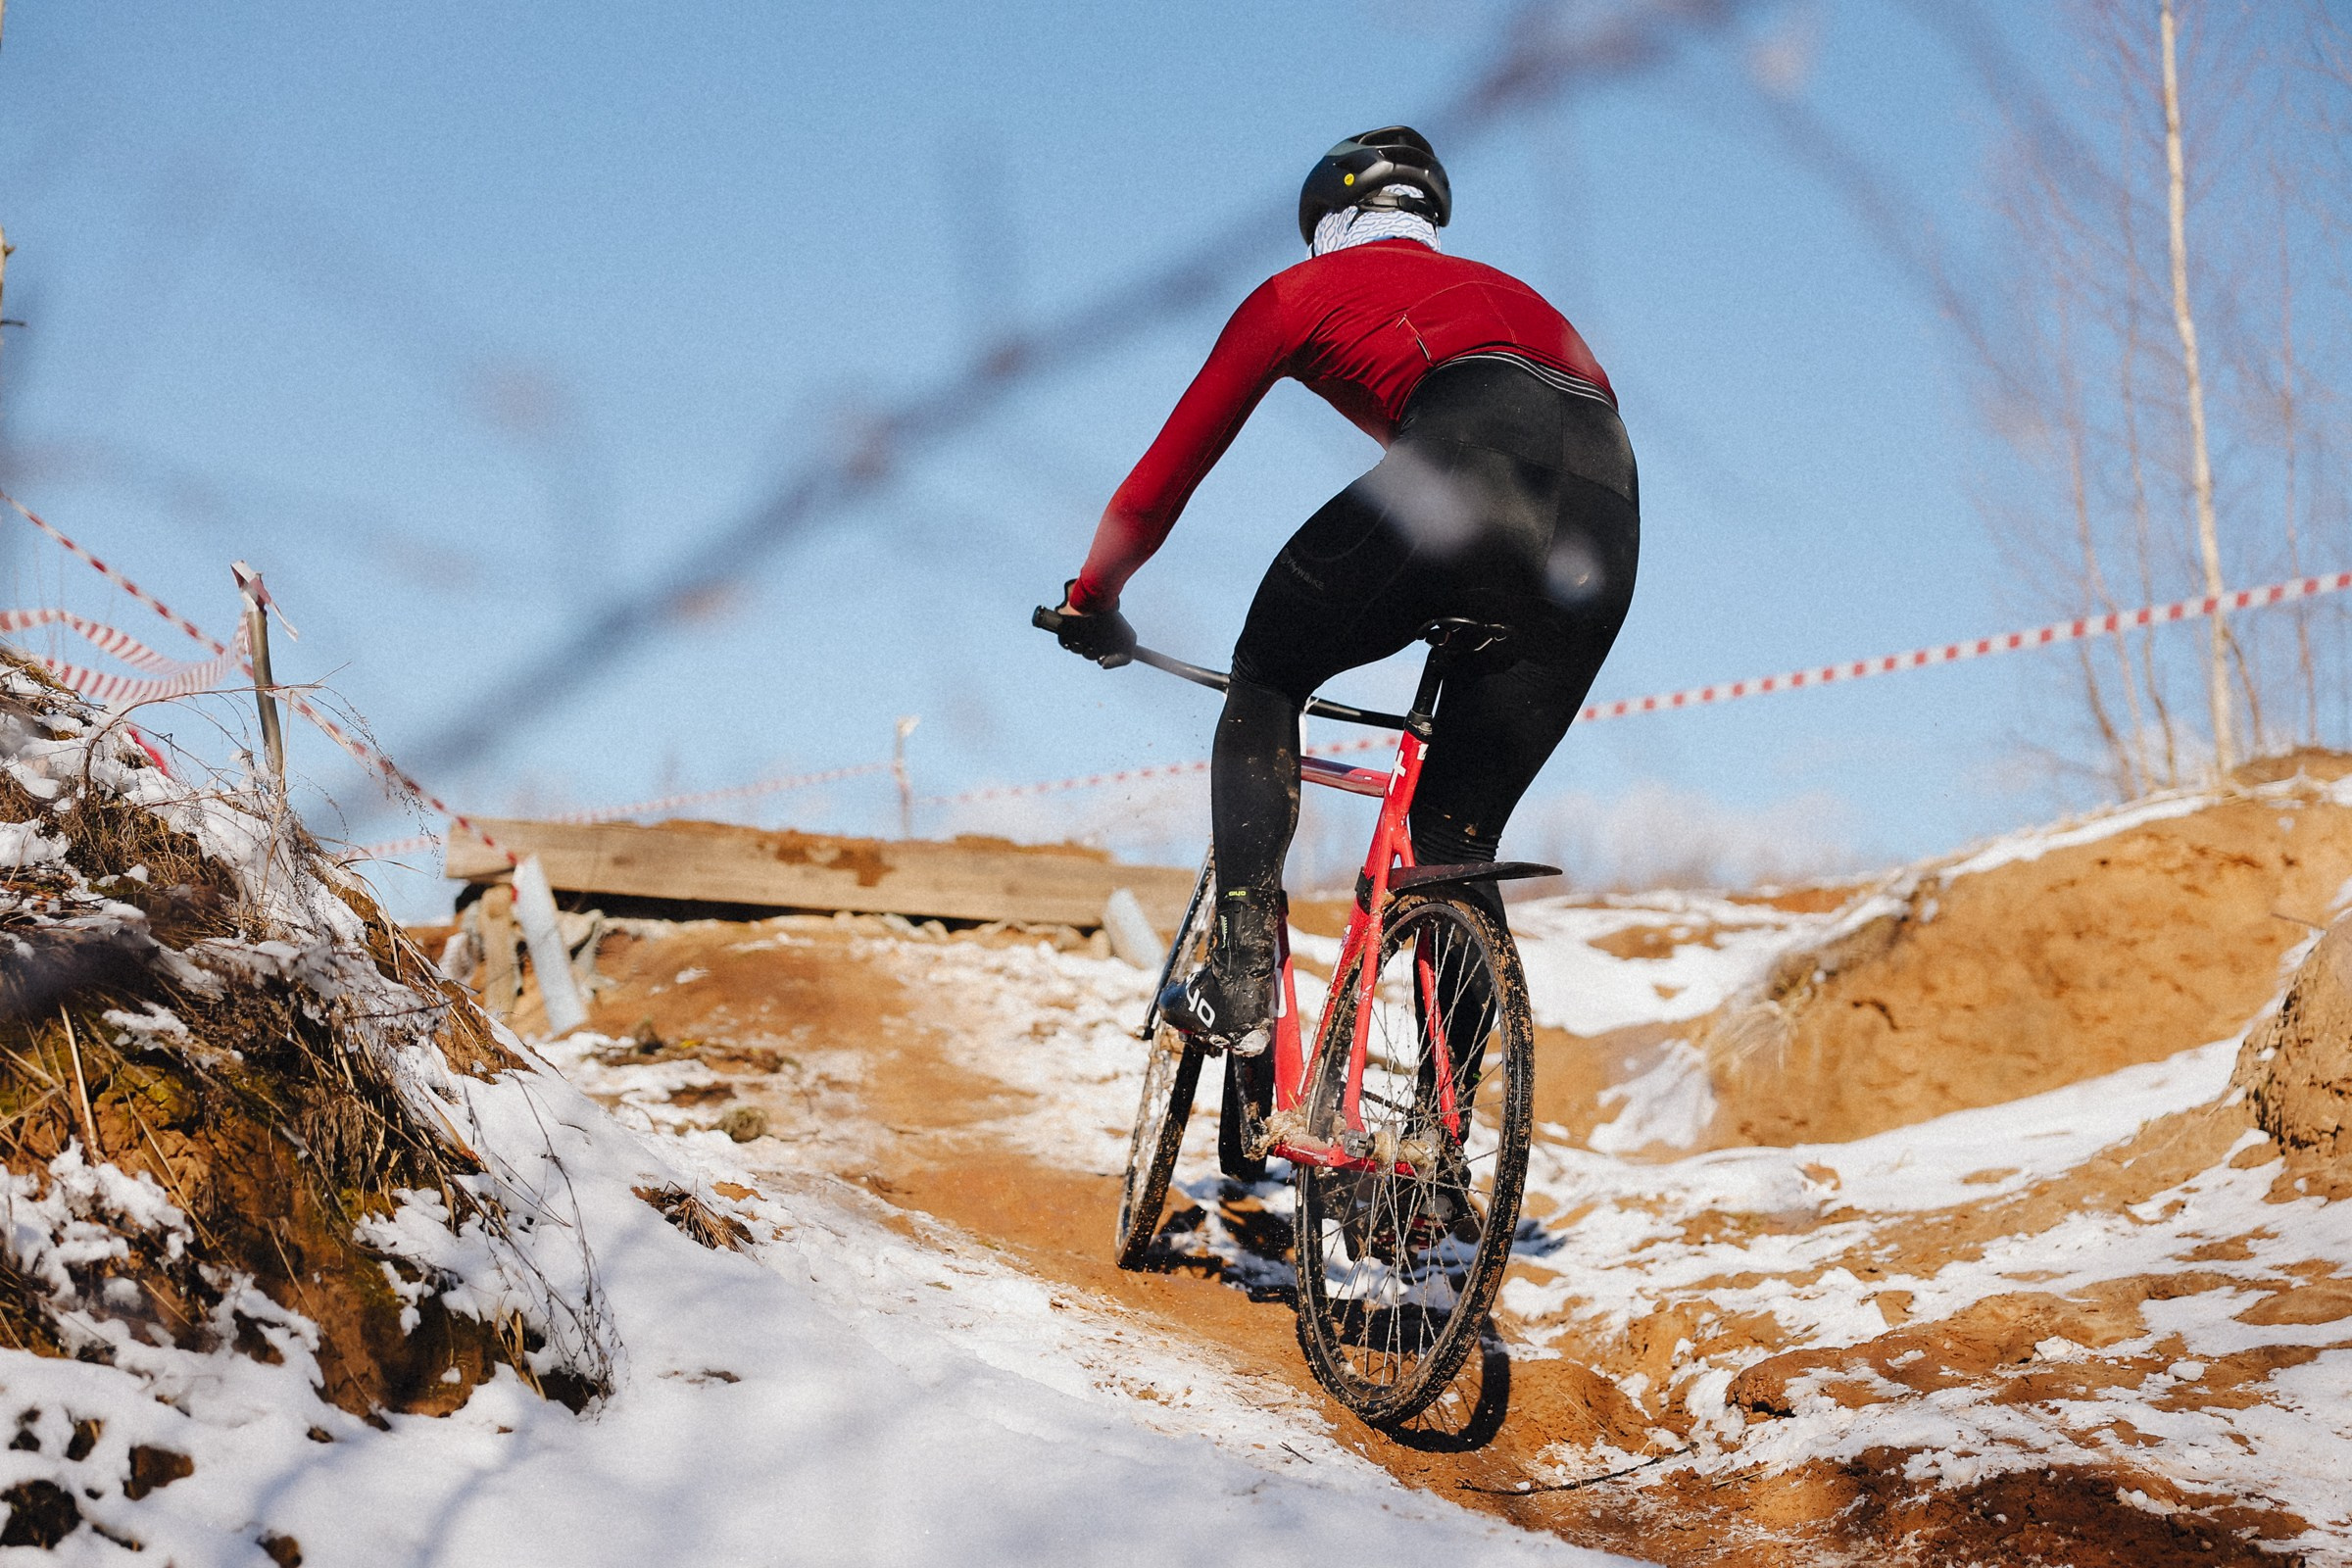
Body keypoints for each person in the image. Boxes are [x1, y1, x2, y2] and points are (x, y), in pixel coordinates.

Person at [1048, 125, 1638, 1056]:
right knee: (1454, 840)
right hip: (1606, 516)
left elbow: (1161, 482)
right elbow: (1537, 433)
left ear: (1326, 221)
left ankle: (1240, 976)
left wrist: (1093, 596)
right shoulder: (1519, 297)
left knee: (1270, 672)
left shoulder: (1300, 291)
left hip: (1464, 466)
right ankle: (1442, 1154)